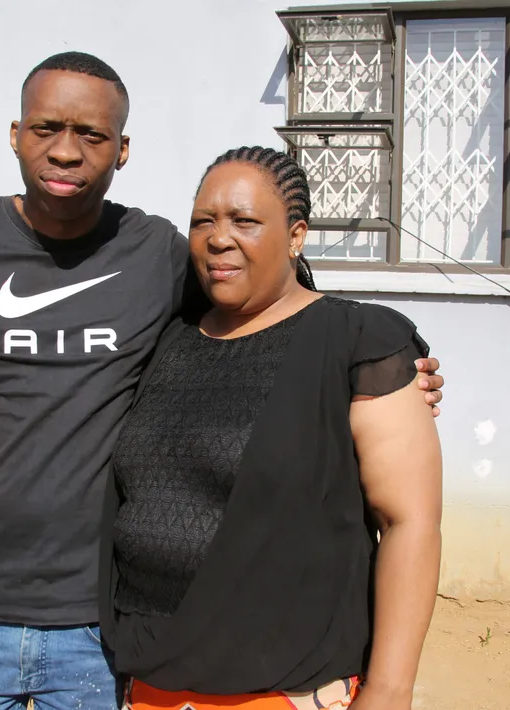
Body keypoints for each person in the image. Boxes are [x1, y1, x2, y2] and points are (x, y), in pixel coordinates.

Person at [0, 52, 444, 710]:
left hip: (101, 629)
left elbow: (268, 313)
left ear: (122, 150)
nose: (65, 151)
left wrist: (383, 370)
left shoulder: (159, 254)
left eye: (91, 134)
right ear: (15, 133)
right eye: (46, 127)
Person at [99, 147, 443, 710]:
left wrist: (389, 690)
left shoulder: (358, 342)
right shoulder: (169, 340)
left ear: (296, 236)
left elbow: (409, 522)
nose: (219, 238)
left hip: (287, 688)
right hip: (147, 681)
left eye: (245, 221)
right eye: (203, 221)